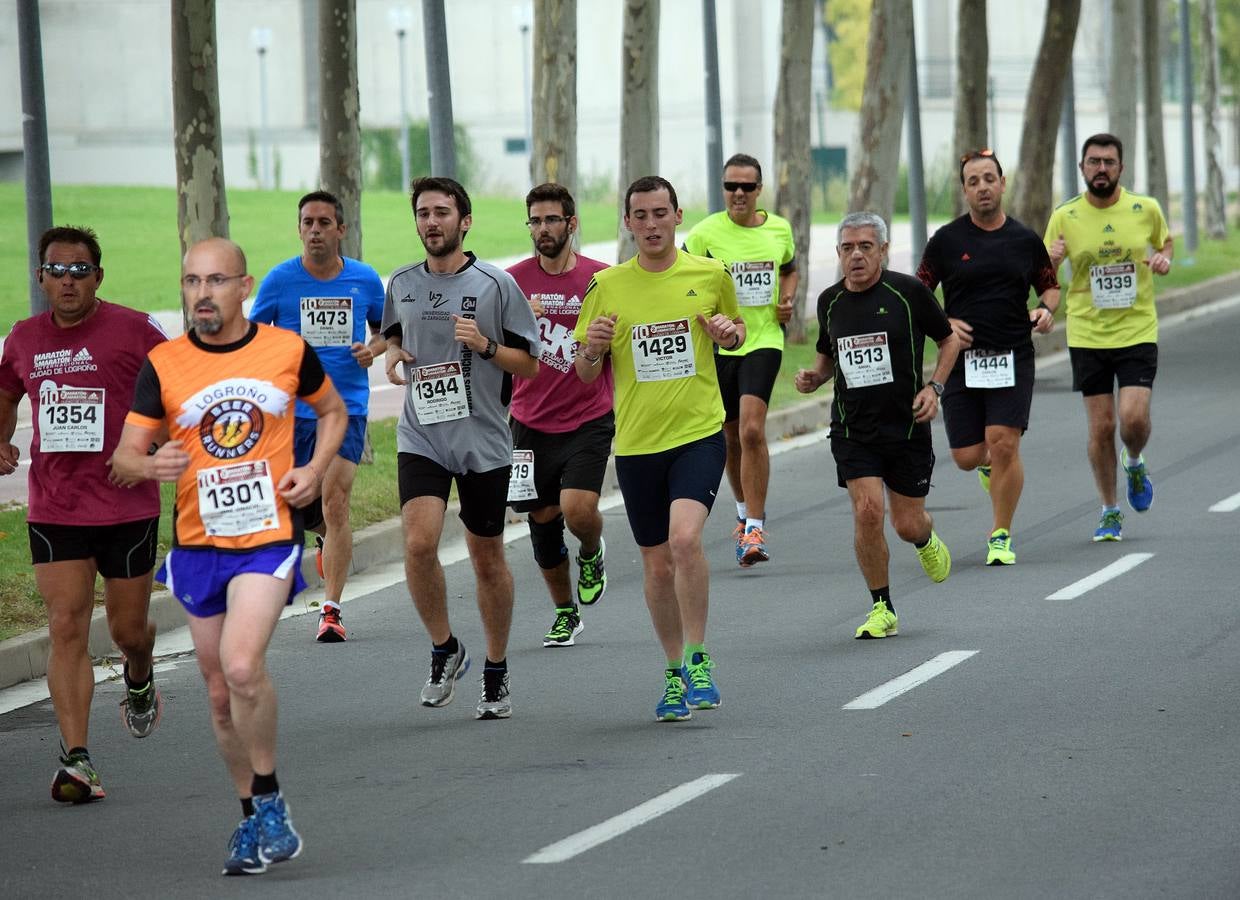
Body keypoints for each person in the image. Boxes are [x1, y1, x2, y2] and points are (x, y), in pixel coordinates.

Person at [112, 237, 346, 876]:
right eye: (191, 282)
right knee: (218, 694)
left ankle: (270, 799)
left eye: (216, 281)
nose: (202, 294)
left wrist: (316, 468)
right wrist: (148, 461)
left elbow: (332, 411)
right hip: (197, 545)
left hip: (268, 535)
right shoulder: (164, 364)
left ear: (244, 287)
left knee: (243, 667)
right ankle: (249, 816)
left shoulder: (285, 350)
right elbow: (126, 454)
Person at [0, 226, 166, 803]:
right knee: (66, 624)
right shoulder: (23, 338)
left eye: (79, 270)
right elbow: (6, 392)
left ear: (98, 276)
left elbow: (175, 396)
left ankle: (140, 675)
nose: (67, 280)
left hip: (127, 503)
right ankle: (77, 760)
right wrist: (2, 441)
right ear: (41, 277)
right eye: (56, 270)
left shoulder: (136, 329)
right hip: (56, 505)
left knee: (126, 631)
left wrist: (144, 454)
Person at [575, 175, 744, 722]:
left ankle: (698, 656)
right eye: (640, 215)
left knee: (685, 541)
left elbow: (737, 331)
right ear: (627, 223)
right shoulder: (608, 287)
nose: (651, 225)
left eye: (660, 213)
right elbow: (583, 372)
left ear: (678, 216)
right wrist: (594, 349)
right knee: (655, 567)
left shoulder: (709, 273)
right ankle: (673, 671)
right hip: (639, 445)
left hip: (697, 433)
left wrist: (727, 334)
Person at [382, 176, 540, 719]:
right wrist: (392, 352)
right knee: (419, 543)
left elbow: (529, 363)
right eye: (423, 213)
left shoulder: (496, 285)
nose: (431, 222)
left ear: (464, 221)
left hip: (483, 440)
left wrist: (486, 345)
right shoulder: (401, 282)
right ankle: (445, 647)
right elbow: (395, 332)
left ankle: (495, 669)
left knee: (486, 558)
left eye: (442, 212)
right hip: (421, 432)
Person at [795, 212, 959, 640]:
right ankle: (882, 606)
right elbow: (828, 357)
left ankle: (925, 539)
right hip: (853, 430)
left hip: (906, 428)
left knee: (907, 524)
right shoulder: (829, 300)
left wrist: (934, 388)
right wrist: (815, 376)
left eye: (866, 246)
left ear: (883, 251)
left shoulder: (909, 293)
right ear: (838, 253)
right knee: (867, 511)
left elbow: (949, 340)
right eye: (848, 248)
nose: (856, 256)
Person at [250, 190, 386, 643]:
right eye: (307, 222)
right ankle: (328, 537)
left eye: (324, 223)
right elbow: (252, 335)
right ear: (299, 229)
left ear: (340, 230)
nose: (314, 231)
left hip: (347, 407)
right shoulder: (280, 281)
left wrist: (373, 350)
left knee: (336, 499)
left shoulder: (364, 280)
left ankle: (331, 610)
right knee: (299, 508)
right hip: (293, 414)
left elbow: (388, 331)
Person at [916, 149, 1060, 565]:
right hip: (962, 361)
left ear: (1002, 183)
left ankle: (1000, 535)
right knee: (965, 457)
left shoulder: (1024, 239)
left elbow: (1049, 286)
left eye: (989, 179)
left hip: (1012, 354)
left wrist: (1045, 310)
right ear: (964, 191)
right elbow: (918, 292)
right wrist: (944, 322)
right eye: (973, 181)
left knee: (1004, 444)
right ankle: (986, 467)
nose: (982, 187)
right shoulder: (947, 240)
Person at [1044, 133, 1172, 542]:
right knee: (1101, 427)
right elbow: (1043, 270)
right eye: (1094, 161)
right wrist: (1051, 262)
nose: (1101, 169)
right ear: (1082, 168)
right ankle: (1110, 509)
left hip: (1136, 327)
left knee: (1132, 420)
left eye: (1109, 162)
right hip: (1087, 331)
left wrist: (1163, 257)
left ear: (1120, 168)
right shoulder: (1065, 215)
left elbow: (1164, 241)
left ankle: (1134, 460)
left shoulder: (1145, 208)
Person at [506, 183, 612, 647]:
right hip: (528, 420)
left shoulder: (600, 279)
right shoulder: (511, 282)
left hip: (588, 415)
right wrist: (519, 324)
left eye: (552, 220)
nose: (542, 229)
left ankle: (591, 549)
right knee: (543, 519)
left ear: (572, 224)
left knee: (578, 509)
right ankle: (565, 612)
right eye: (535, 220)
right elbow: (494, 349)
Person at [683, 153, 797, 568]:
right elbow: (681, 276)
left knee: (751, 429)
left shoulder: (779, 229)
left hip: (764, 338)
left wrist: (787, 299)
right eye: (731, 186)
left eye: (747, 187)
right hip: (720, 344)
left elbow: (789, 269)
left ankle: (755, 527)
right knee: (730, 436)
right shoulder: (703, 233)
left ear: (759, 190)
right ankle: (742, 510)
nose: (738, 194)